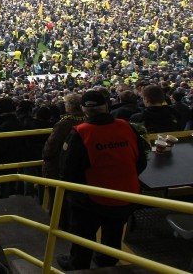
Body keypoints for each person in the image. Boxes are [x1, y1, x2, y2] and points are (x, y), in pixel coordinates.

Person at [56, 89, 148, 271]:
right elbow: (141, 161)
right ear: (106, 106)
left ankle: (78, 264)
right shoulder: (126, 126)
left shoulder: (82, 132)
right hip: (126, 193)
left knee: (83, 234)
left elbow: (67, 169)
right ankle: (107, 263)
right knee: (114, 233)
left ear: (84, 110)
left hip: (92, 198)